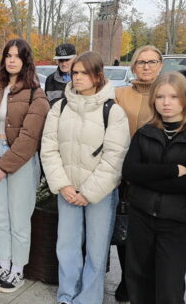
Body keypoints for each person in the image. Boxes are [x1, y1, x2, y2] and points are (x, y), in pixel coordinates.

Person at [41, 51, 130, 303]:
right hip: (67, 189)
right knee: (67, 247)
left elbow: (115, 158)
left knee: (96, 250)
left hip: (99, 194)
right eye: (75, 72)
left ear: (98, 75)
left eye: (84, 73)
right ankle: (67, 294)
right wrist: (63, 185)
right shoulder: (61, 107)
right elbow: (49, 148)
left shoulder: (112, 111)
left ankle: (89, 298)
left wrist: (89, 192)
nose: (77, 77)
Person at [123, 72, 186, 303]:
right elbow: (130, 172)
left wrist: (146, 175)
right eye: (160, 96)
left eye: (173, 96)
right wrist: (170, 170)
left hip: (177, 221)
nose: (166, 102)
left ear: (184, 98)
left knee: (169, 285)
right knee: (139, 280)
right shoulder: (145, 132)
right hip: (141, 215)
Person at [0, 39, 49, 293]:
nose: (12, 60)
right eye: (8, 55)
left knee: (19, 218)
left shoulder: (36, 93)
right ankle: (4, 263)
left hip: (21, 162)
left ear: (26, 60)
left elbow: (30, 137)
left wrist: (4, 165)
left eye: (17, 56)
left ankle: (18, 268)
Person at [113, 44, 164, 300]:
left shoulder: (168, 94)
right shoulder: (119, 94)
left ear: (160, 65)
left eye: (152, 62)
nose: (146, 66)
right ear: (133, 66)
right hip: (124, 172)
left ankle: (149, 281)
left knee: (151, 233)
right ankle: (127, 280)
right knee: (126, 231)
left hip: (154, 171)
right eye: (141, 62)